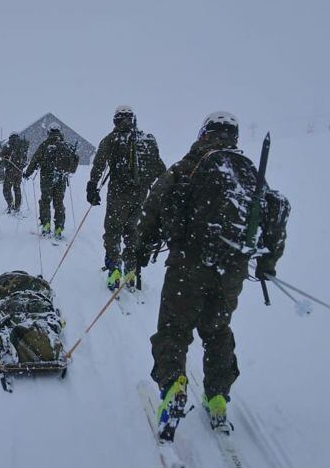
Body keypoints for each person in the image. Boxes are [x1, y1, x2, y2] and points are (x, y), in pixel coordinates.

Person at [130, 111, 289, 438]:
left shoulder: (189, 166)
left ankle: (173, 388)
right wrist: (267, 263)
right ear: (234, 137)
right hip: (231, 270)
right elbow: (272, 213)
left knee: (174, 331)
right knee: (217, 330)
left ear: (204, 133)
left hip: (188, 265)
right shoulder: (247, 173)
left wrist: (140, 250)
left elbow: (153, 206)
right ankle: (217, 396)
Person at [87, 105, 165, 290]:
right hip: (141, 195)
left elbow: (99, 163)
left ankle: (114, 267)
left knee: (113, 230)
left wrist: (92, 185)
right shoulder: (145, 140)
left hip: (118, 194)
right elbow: (160, 169)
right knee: (132, 231)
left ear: (115, 120)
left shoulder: (112, 139)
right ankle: (131, 268)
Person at [23, 124, 79, 240]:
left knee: (45, 201)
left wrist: (27, 173)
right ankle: (59, 228)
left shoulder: (45, 145)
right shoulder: (66, 146)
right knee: (59, 203)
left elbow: (34, 160)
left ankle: (46, 225)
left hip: (46, 178)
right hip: (61, 179)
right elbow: (72, 165)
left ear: (49, 132)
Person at [0, 132, 29, 214]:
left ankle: (10, 205)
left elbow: (0, 158)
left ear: (10, 137)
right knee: (17, 189)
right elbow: (25, 160)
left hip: (10, 172)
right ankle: (17, 208)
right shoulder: (22, 146)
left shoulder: (8, 146)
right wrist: (21, 167)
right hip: (19, 172)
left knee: (6, 189)